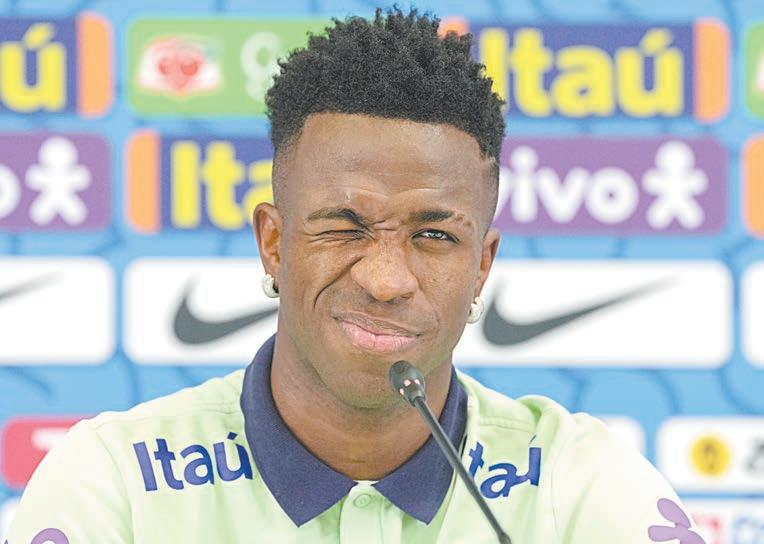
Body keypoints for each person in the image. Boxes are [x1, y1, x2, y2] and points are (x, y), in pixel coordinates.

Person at [6, 7, 704, 544]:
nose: (386, 279)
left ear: (481, 267)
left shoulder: (582, 487)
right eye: (344, 226)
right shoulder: (114, 484)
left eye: (434, 235)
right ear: (273, 243)